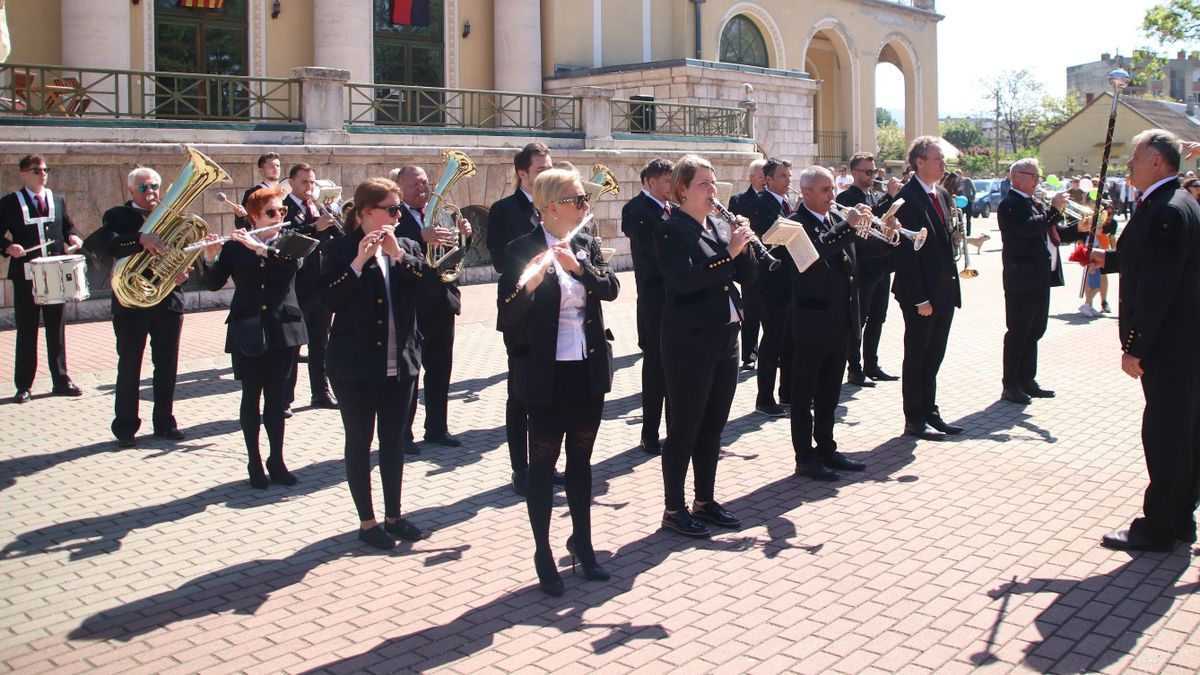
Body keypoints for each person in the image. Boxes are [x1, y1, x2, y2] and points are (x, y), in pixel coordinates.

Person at [497, 168, 619, 596]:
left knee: (581, 463)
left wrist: (580, 269)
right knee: (543, 466)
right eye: (577, 199)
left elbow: (611, 289)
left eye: (585, 199)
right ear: (550, 206)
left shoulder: (585, 243)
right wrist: (526, 287)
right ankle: (543, 552)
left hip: (585, 370)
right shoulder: (520, 248)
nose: (586, 206)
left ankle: (582, 544)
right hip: (544, 374)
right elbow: (506, 316)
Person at [1090, 129, 1200, 552]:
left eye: (1136, 158)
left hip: (1171, 344)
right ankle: (1180, 519)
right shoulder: (1175, 201)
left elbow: (1159, 286)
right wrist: (1111, 259)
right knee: (1184, 431)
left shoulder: (1167, 209)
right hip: (1184, 340)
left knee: (1166, 434)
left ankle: (1159, 526)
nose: (1129, 166)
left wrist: (1136, 345)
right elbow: (1155, 261)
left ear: (1157, 162)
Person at [321, 177, 433, 550]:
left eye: (399, 209)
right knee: (360, 441)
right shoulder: (338, 249)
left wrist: (398, 256)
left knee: (393, 441)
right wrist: (359, 261)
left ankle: (394, 515)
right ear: (368, 212)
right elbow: (328, 301)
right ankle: (367, 522)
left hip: (399, 362)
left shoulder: (407, 245)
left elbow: (428, 287)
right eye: (391, 209)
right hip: (353, 365)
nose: (398, 216)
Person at [656, 154, 758, 538]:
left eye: (713, 184)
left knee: (714, 425)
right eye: (703, 184)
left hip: (725, 336)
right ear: (682, 189)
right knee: (684, 427)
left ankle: (705, 499)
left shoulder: (719, 226)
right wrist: (727, 255)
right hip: (689, 340)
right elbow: (683, 281)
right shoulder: (671, 230)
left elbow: (748, 277)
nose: (712, 191)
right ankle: (673, 507)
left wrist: (744, 246)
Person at [201, 187, 307, 488]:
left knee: (276, 399)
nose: (279, 216)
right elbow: (212, 283)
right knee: (251, 397)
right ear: (254, 216)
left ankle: (277, 459)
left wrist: (260, 249)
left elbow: (287, 272)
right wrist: (210, 258)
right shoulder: (235, 246)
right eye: (272, 212)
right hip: (247, 327)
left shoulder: (290, 241)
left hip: (282, 329)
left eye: (282, 211)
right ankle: (254, 461)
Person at [790, 166, 885, 481]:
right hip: (810, 323)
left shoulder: (833, 221)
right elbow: (813, 256)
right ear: (805, 193)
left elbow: (858, 257)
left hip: (839, 321)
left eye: (832, 189)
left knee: (830, 392)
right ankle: (805, 457)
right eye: (825, 191)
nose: (832, 196)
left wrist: (886, 233)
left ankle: (827, 448)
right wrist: (847, 225)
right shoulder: (794, 223)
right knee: (804, 395)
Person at [92, 168, 188, 448]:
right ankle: (125, 427)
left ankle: (165, 422)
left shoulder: (173, 217)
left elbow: (184, 249)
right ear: (131, 190)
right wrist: (139, 239)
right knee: (130, 366)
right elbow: (105, 245)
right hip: (131, 305)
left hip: (167, 302)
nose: (151, 192)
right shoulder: (117, 216)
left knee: (167, 367)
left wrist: (182, 271)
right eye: (144, 188)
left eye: (155, 186)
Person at [486, 143, 554, 496]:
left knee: (550, 391)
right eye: (541, 169)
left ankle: (545, 462)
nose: (547, 174)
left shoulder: (556, 207)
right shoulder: (503, 210)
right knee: (521, 393)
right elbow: (500, 260)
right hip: (521, 312)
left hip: (556, 312)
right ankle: (521, 468)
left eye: (550, 167)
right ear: (523, 174)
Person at [393, 165, 473, 450]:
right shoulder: (396, 217)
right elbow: (396, 254)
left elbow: (455, 255)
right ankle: (403, 433)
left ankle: (437, 428)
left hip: (443, 300)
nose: (423, 189)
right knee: (412, 374)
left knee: (440, 371)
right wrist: (420, 238)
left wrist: (465, 235)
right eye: (415, 185)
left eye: (425, 182)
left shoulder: (442, 213)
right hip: (415, 305)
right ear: (400, 188)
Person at [996, 158, 1088, 405]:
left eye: (1038, 176)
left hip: (1040, 276)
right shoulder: (1010, 204)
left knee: (1035, 330)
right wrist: (1054, 210)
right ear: (1017, 177)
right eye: (1033, 175)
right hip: (1021, 277)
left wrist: (1079, 228)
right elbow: (1028, 229)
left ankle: (1027, 379)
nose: (1038, 180)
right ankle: (1011, 383)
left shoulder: (1034, 203)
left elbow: (1051, 233)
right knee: (1018, 331)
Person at [892, 137, 964, 440]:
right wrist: (920, 298)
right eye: (938, 159)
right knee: (918, 355)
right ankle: (914, 418)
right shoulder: (908, 198)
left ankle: (930, 410)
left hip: (944, 288)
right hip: (920, 294)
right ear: (919, 162)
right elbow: (906, 255)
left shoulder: (943, 194)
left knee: (934, 355)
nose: (943, 164)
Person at [0, 154, 84, 403]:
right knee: (27, 329)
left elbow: (68, 227)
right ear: (23, 173)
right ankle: (24, 385)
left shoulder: (56, 199)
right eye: (36, 170)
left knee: (56, 328)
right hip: (26, 275)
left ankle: (61, 379)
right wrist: (8, 247)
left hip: (55, 271)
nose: (42, 173)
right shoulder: (10, 202)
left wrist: (74, 239)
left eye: (45, 169)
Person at [620, 158, 674, 455]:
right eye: (667, 180)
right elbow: (657, 248)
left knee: (677, 370)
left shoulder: (674, 210)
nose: (671, 186)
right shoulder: (636, 210)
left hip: (678, 300)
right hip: (654, 300)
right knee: (655, 369)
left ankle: (674, 430)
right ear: (650, 182)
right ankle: (650, 433)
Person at [837, 151, 900, 386]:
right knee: (858, 320)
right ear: (854, 172)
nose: (872, 175)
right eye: (867, 171)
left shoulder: (876, 194)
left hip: (882, 265)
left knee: (878, 318)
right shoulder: (847, 197)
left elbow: (884, 221)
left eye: (874, 171)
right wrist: (889, 198)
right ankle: (854, 368)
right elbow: (868, 221)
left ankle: (872, 364)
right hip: (862, 267)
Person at [283, 163, 341, 411]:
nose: (309, 187)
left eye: (312, 182)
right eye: (304, 182)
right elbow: (285, 238)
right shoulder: (283, 208)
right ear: (292, 183)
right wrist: (313, 227)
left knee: (320, 343)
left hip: (320, 283)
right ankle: (284, 398)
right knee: (293, 346)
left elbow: (338, 237)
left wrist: (333, 219)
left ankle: (321, 392)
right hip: (296, 286)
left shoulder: (318, 207)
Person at [748, 158, 795, 416]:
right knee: (773, 341)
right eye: (783, 176)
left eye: (789, 175)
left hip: (789, 281)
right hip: (771, 282)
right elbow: (772, 236)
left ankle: (786, 392)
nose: (788, 179)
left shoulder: (786, 203)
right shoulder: (761, 204)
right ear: (768, 179)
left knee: (790, 339)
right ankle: (764, 398)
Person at [730, 158, 767, 371]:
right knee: (751, 310)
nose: (764, 181)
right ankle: (750, 354)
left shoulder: (776, 199)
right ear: (751, 178)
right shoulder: (739, 199)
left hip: (771, 260)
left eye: (766, 177)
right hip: (750, 261)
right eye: (761, 177)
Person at [233, 152, 281, 229]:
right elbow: (244, 226)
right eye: (270, 166)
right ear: (262, 171)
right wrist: (240, 217)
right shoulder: (253, 193)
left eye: (277, 166)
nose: (275, 168)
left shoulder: (288, 190)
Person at [957, 171, 976, 236]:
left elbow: (974, 190)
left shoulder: (967, 180)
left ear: (962, 174)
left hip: (968, 201)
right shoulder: (956, 182)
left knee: (968, 218)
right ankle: (960, 232)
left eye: (959, 174)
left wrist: (972, 198)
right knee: (960, 218)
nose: (958, 176)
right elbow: (954, 191)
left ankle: (968, 233)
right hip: (960, 202)